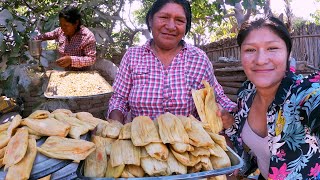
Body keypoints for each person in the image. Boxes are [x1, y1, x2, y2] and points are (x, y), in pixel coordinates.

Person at [107, 0, 237, 124]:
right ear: (150, 20)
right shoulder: (132, 56)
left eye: (179, 20)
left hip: (188, 143)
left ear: (186, 27)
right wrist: (115, 125)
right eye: (164, 17)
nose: (170, 26)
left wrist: (232, 114)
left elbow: (217, 97)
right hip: (142, 140)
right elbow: (119, 99)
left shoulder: (198, 58)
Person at [224, 16, 320, 179]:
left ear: (288, 53)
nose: (261, 60)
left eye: (272, 48)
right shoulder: (246, 93)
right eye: (250, 50)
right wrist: (229, 125)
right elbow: (250, 155)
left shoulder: (305, 93)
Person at [34, 5, 96, 70]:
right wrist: (34, 40)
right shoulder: (60, 31)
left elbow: (91, 59)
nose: (63, 28)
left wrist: (71, 60)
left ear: (76, 23)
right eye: (61, 25)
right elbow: (47, 35)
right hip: (64, 71)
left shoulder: (87, 36)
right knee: (46, 45)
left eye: (66, 25)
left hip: (82, 74)